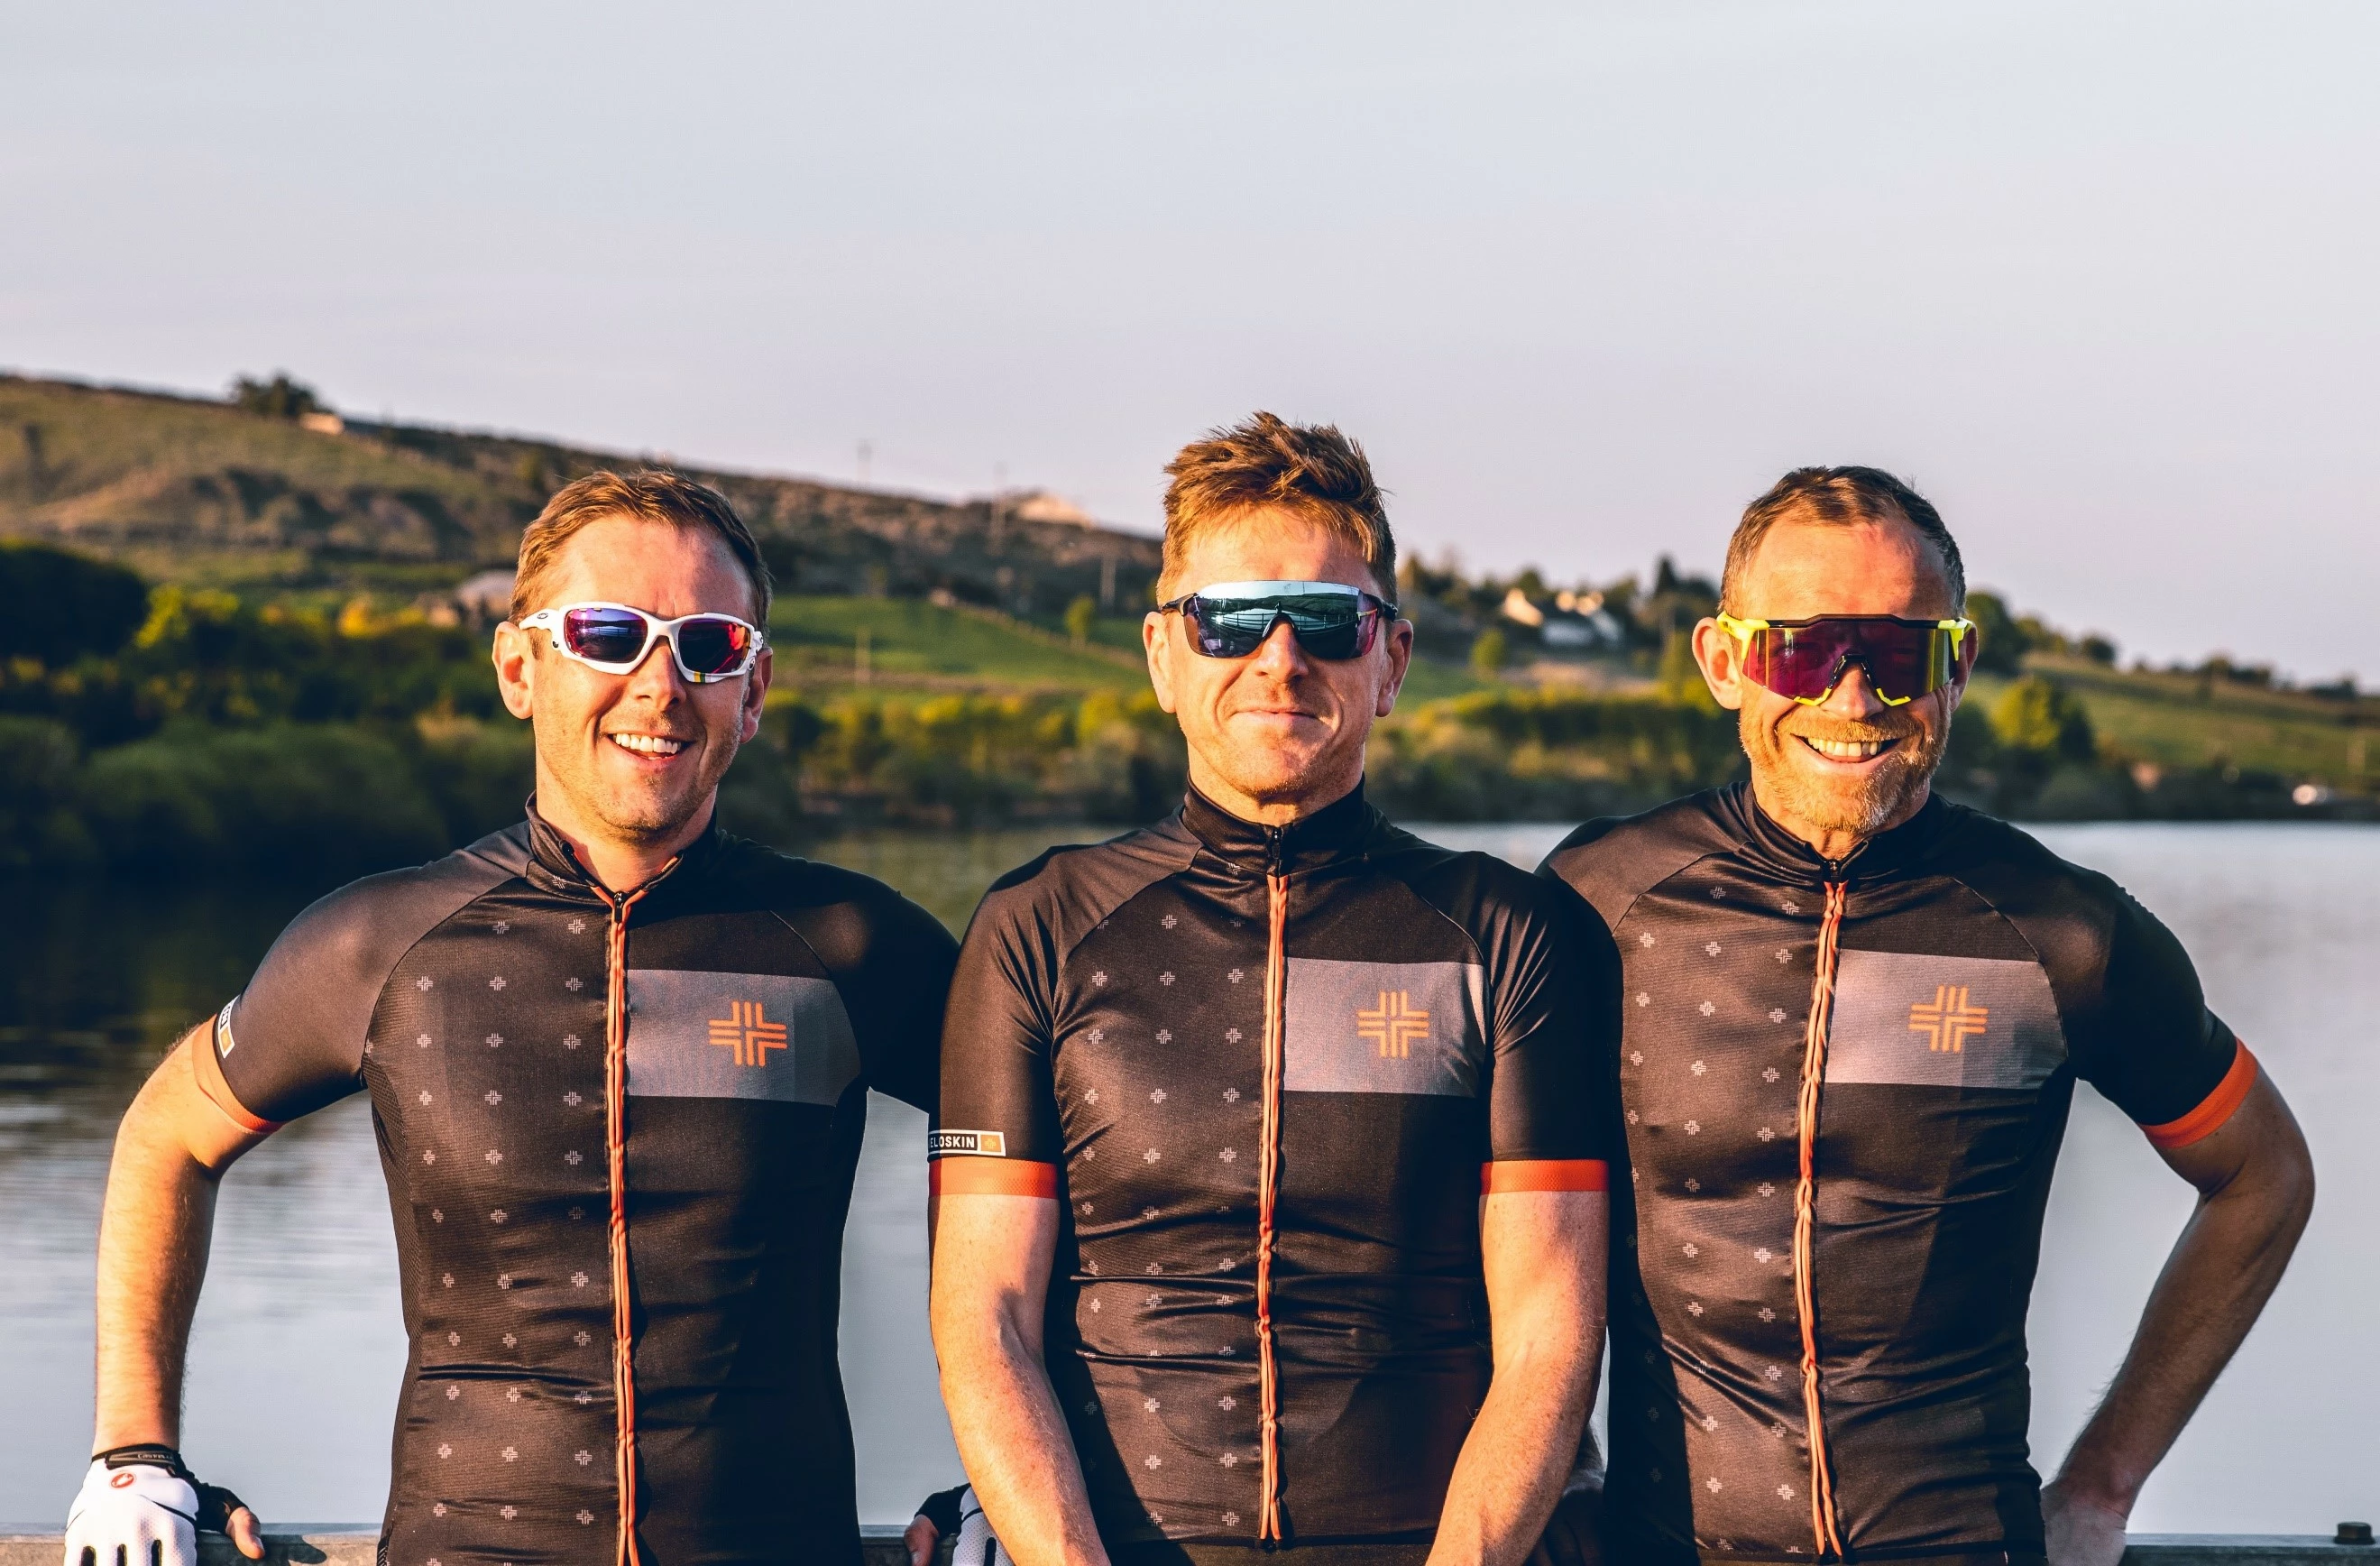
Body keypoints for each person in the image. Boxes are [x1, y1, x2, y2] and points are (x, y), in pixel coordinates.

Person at [65, 471, 959, 1566]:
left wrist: (1015, 1469)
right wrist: (135, 1456)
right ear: (519, 667)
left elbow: (1090, 1168)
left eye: (708, 644)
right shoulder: (380, 942)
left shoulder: (850, 942)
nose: (660, 683)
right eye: (608, 633)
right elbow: (165, 1137)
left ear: (755, 687)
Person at [1538, 467, 2316, 1566]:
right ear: (1723, 661)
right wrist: (1558, 1459)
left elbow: (2262, 1176)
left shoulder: (2062, 931)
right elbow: (1474, 1203)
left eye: (1898, 653)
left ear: (1956, 662)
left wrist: (2099, 1484)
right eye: (1804, 649)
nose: (1852, 697)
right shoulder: (1595, 899)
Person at [927, 412, 1619, 1566]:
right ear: (1161, 654)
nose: (1279, 657)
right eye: (1231, 619)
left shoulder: (1503, 932)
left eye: (1328, 621)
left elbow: (1551, 1327)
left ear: (1389, 657)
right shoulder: (1037, 925)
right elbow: (984, 1315)